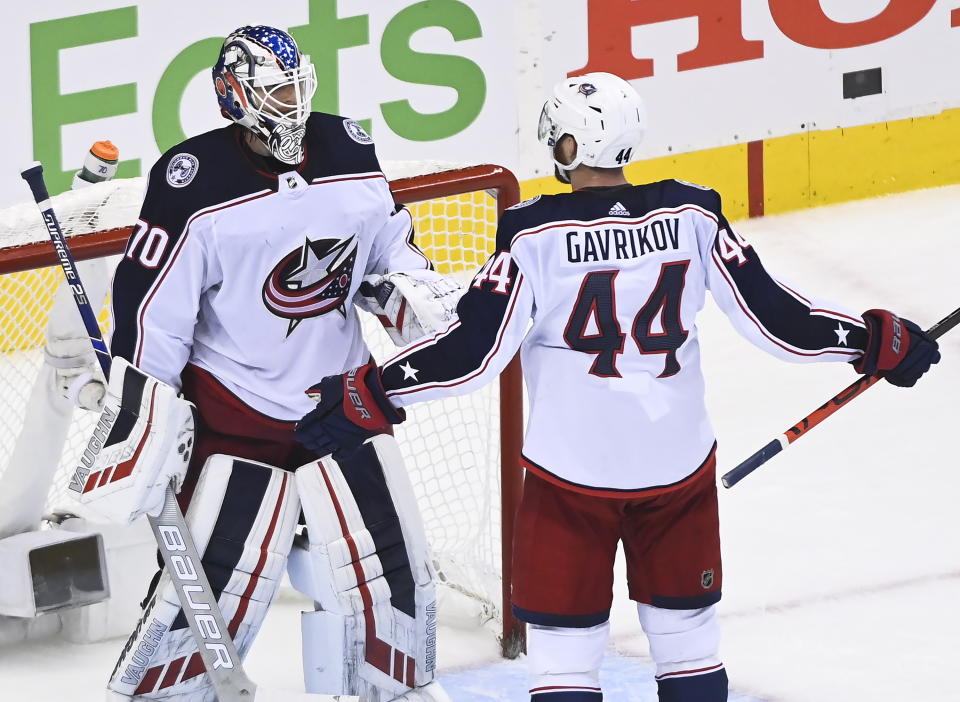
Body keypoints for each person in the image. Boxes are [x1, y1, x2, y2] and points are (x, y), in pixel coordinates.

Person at [294, 72, 941, 701]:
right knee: (689, 647)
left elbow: (473, 354)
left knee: (564, 663)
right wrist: (875, 340)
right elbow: (780, 324)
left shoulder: (531, 233)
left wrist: (373, 391)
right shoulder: (693, 211)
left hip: (569, 475)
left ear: (570, 146)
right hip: (676, 467)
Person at [77, 25, 453, 702]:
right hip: (236, 414)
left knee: (392, 572)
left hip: (343, 402)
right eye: (277, 90)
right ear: (236, 97)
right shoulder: (191, 179)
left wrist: (410, 291)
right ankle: (172, 693)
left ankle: (396, 688)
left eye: (298, 84)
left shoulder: (349, 148)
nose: (294, 102)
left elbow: (385, 250)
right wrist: (145, 418)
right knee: (213, 586)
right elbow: (152, 311)